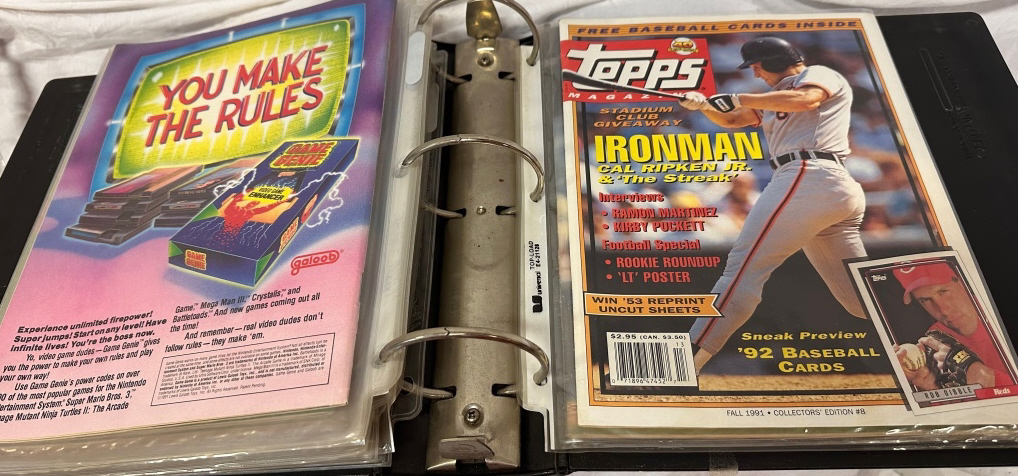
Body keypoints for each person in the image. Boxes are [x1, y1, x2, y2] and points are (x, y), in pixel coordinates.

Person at [678, 37, 868, 374]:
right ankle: (933, 337)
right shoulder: (773, 96)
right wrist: (703, 105)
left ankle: (680, 366)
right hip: (823, 184)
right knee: (861, 298)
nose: (755, 73)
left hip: (809, 173)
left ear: (775, 60)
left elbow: (806, 99)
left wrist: (740, 96)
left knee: (742, 270)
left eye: (756, 66)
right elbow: (732, 120)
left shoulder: (817, 74)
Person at [892, 262, 1014, 390]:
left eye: (943, 291)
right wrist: (935, 388)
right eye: (925, 300)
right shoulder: (935, 340)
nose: (943, 310)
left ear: (962, 282)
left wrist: (983, 376)